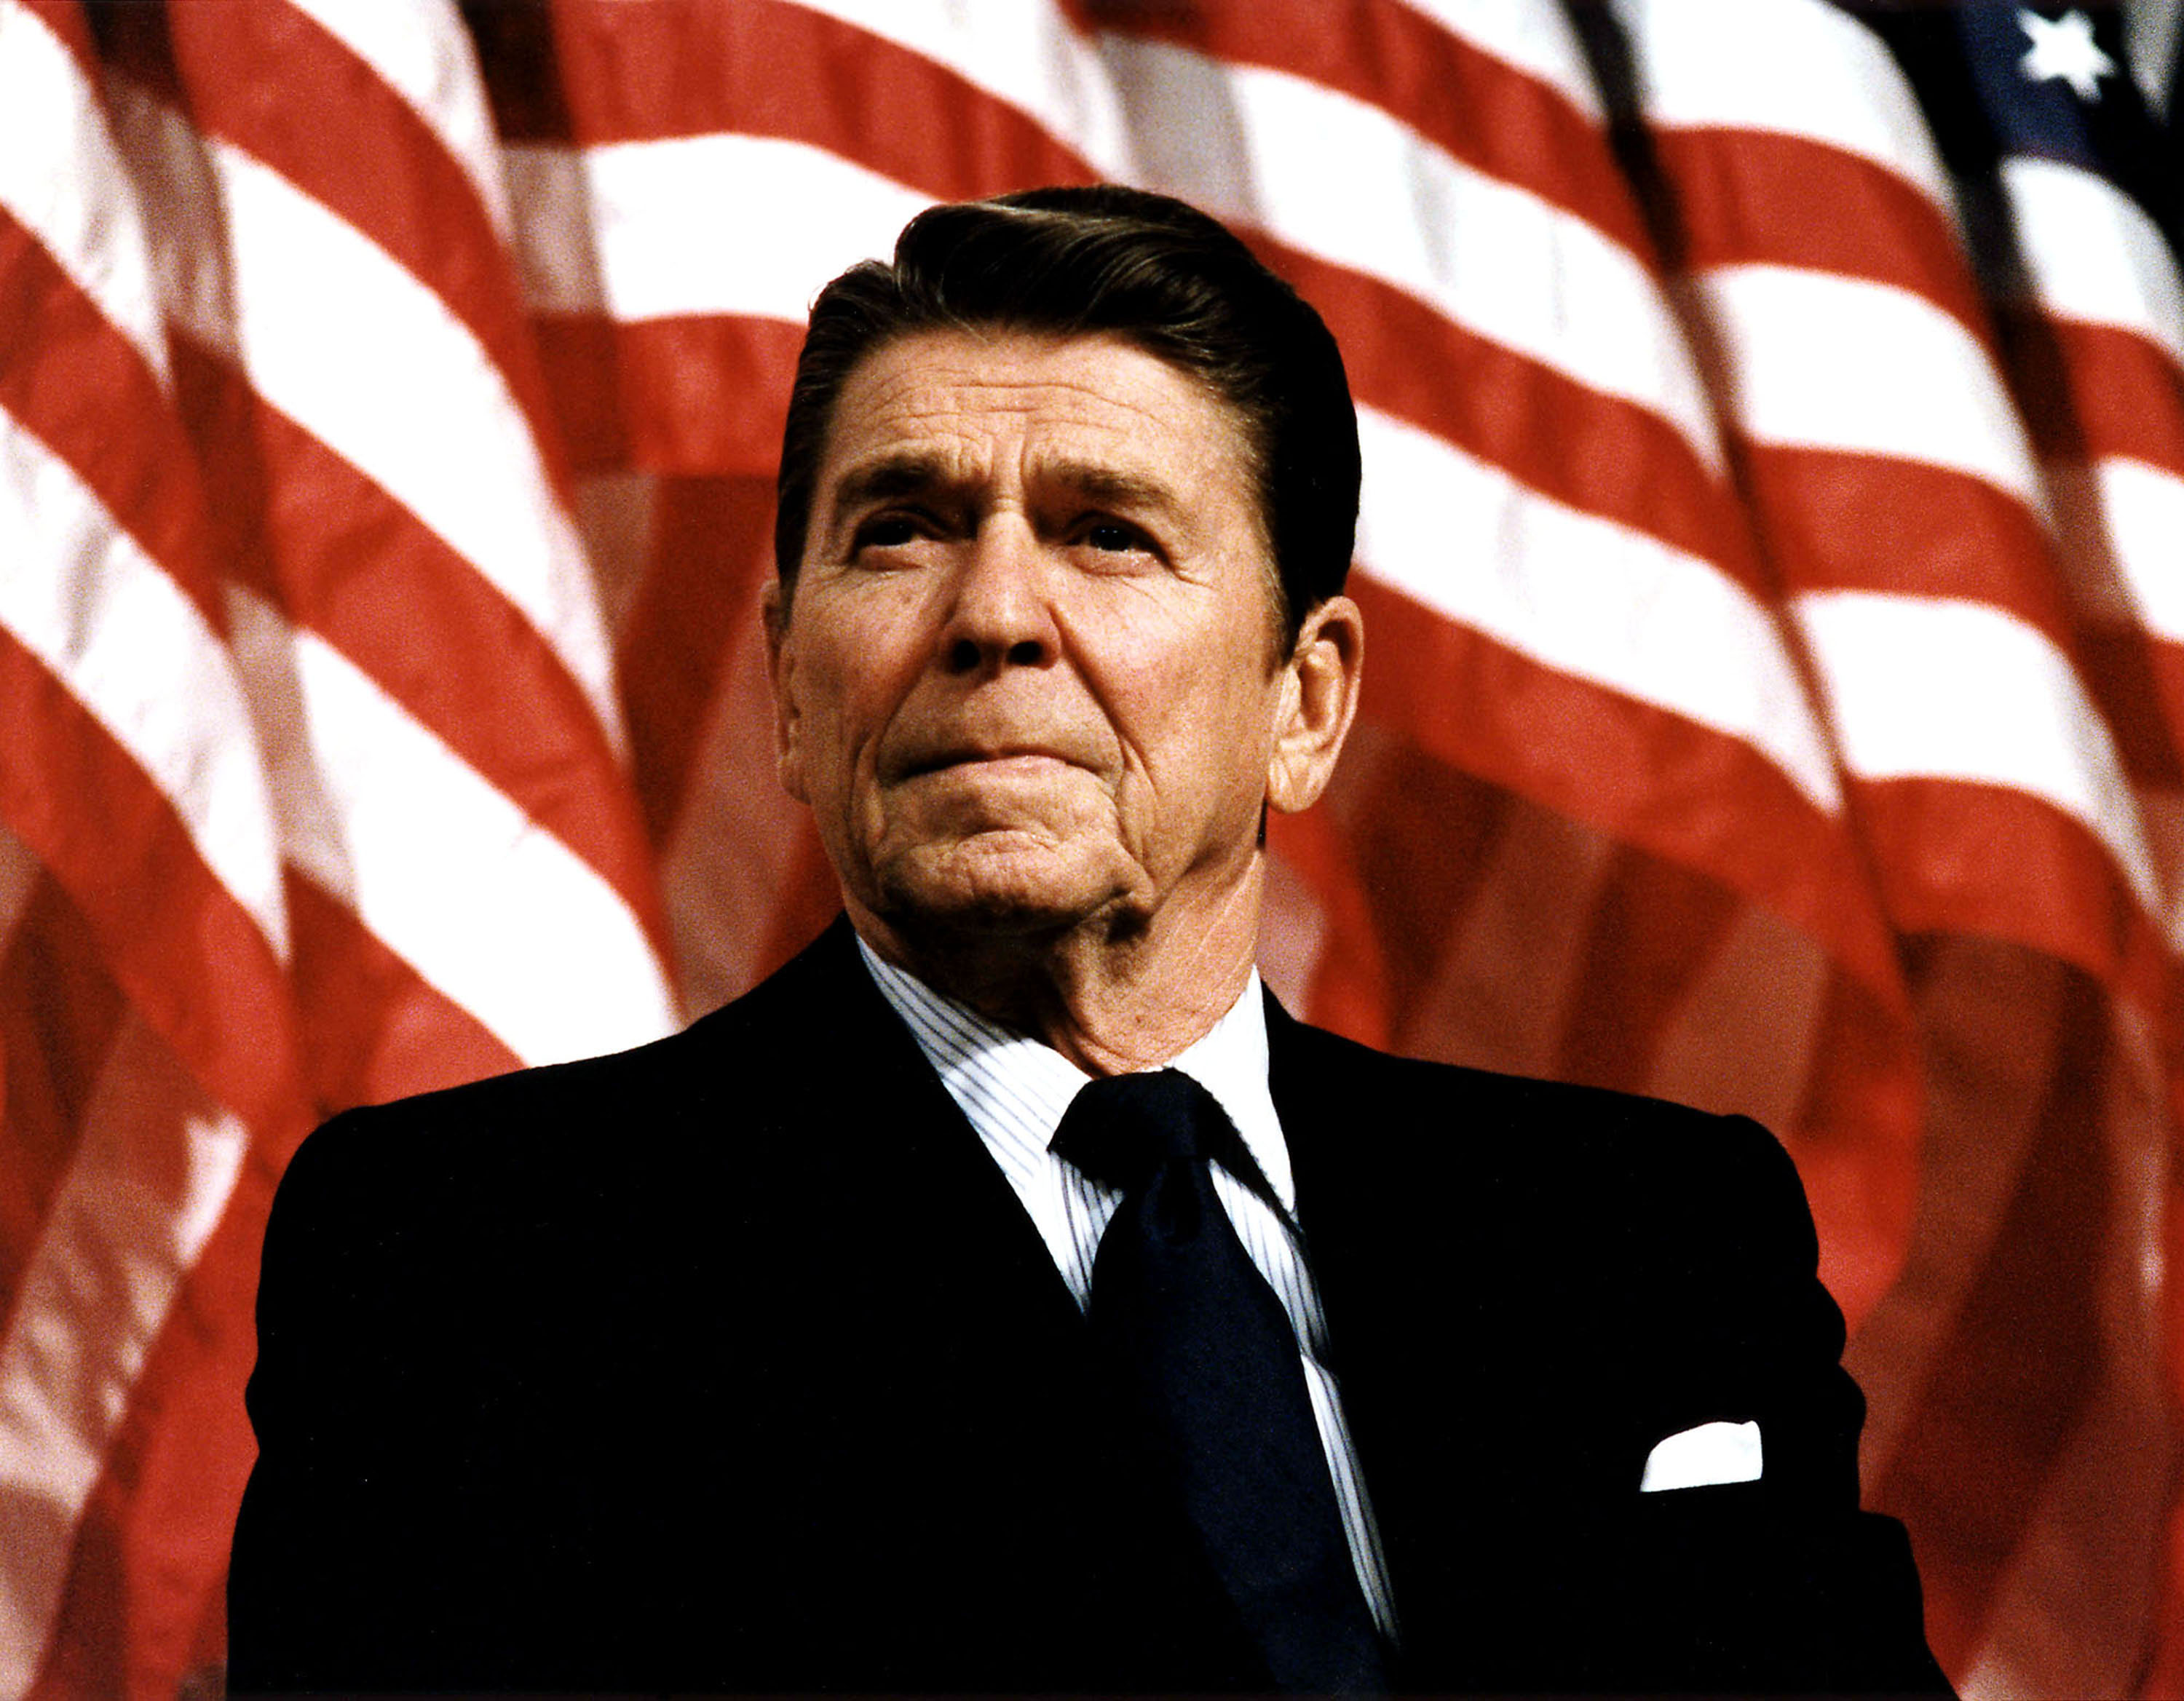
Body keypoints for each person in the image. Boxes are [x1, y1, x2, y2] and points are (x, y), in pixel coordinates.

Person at [228, 185, 1952, 1697]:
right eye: (897, 528)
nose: (989, 614)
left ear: (1307, 700)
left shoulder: (1653, 1242)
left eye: (1107, 533)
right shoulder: (479, 1264)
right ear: (786, 684)